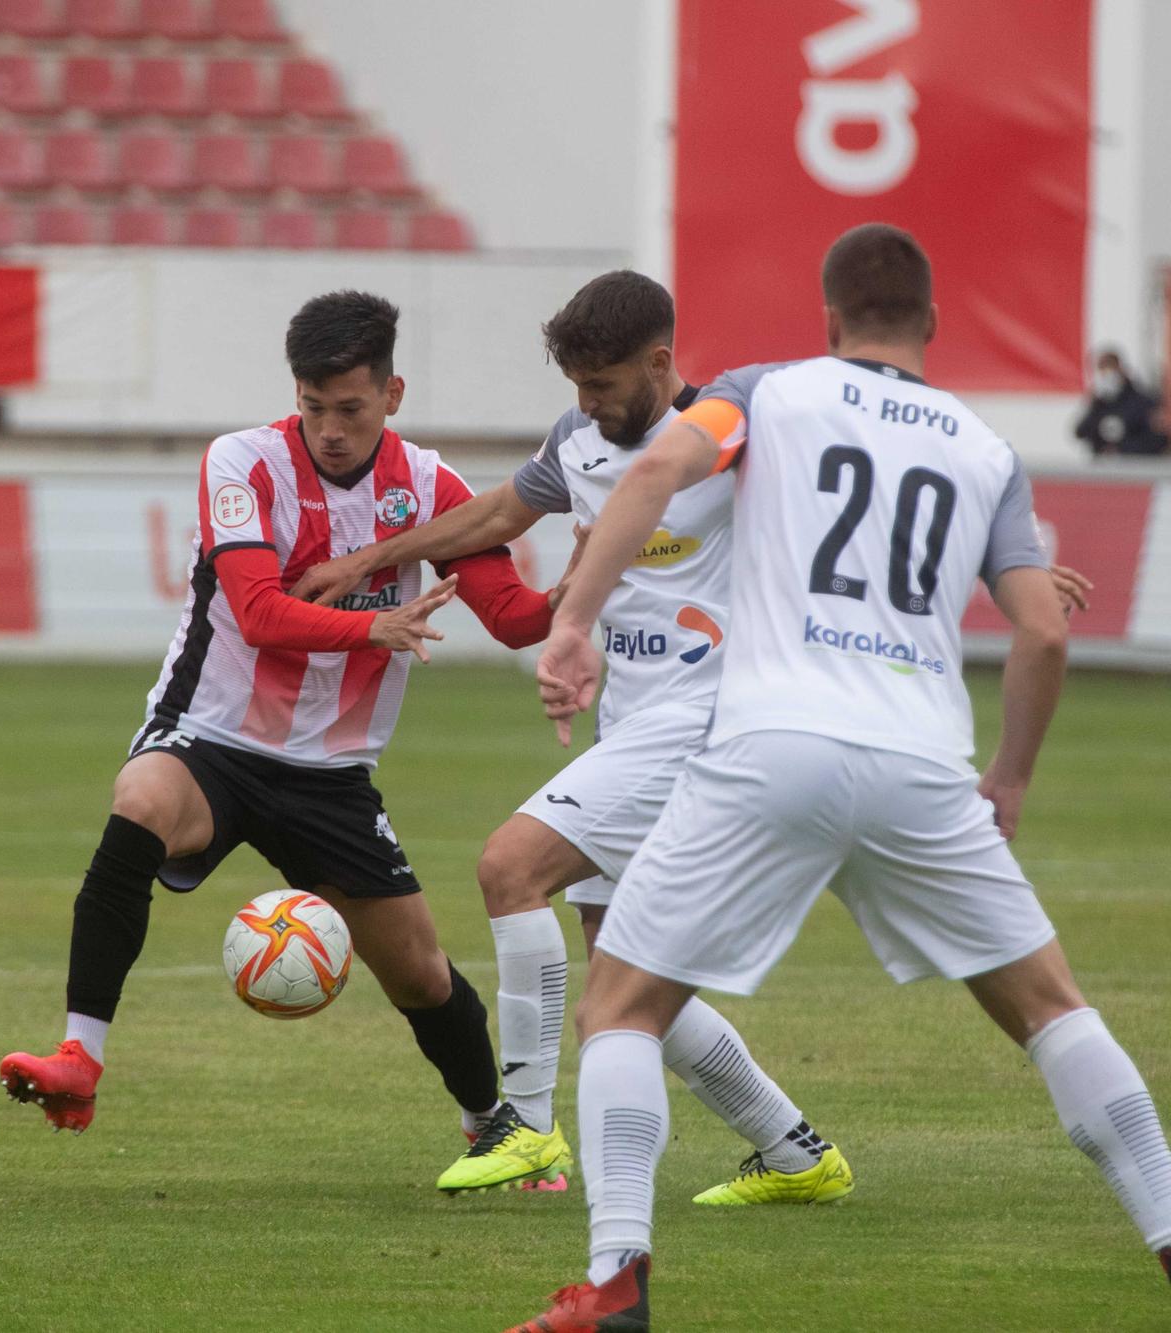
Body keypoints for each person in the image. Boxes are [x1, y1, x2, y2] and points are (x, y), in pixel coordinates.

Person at [508, 224, 1171, 1331]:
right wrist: (1004, 780)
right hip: (920, 759)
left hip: (770, 740)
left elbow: (663, 467)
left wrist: (571, 621)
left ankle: (615, 1281)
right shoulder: (982, 448)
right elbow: (1042, 633)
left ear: (827, 321)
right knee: (1053, 1011)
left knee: (619, 1004)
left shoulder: (768, 392)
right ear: (931, 326)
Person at [296, 271, 861, 1203]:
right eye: (576, 388)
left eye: (601, 386)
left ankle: (524, 1125)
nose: (587, 405)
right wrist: (366, 560)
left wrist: (1015, 552)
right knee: (621, 975)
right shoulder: (579, 439)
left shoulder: (731, 429)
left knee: (508, 866)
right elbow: (494, 516)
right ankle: (795, 1150)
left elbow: (863, 474)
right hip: (635, 721)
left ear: (660, 362)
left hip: (714, 717)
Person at [0, 291, 560, 1150]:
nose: (329, 428)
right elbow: (258, 614)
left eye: (350, 409)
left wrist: (599, 571)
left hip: (332, 773)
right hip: (213, 738)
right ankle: (81, 1054)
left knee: (418, 972)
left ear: (393, 395)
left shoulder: (427, 486)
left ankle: (494, 1127)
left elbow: (517, 618)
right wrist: (374, 624)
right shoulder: (243, 465)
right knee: (141, 800)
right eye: (312, 406)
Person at [1073, 350, 1166, 458]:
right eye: (1102, 372)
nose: (1107, 378)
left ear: (1121, 370)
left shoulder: (1142, 402)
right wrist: (1093, 405)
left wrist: (1122, 450)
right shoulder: (1100, 404)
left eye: (1110, 371)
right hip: (1102, 468)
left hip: (1134, 466)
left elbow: (1157, 441)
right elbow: (1080, 432)